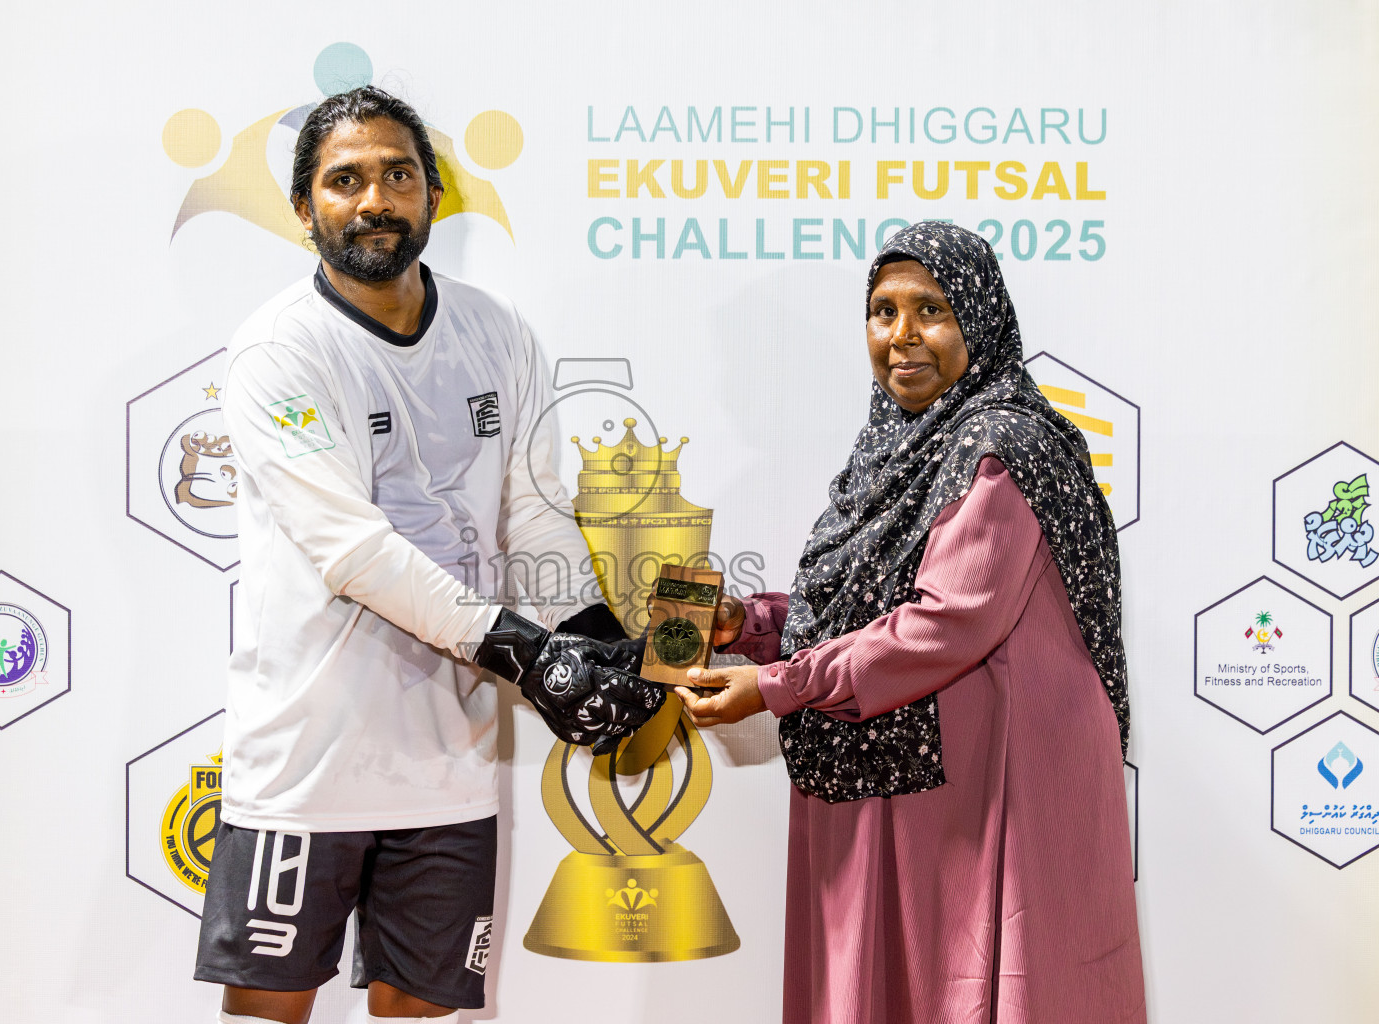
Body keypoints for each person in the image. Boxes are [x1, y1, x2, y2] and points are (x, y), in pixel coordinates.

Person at [195, 87, 664, 1024]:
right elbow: (354, 552)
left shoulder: (497, 333)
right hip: (304, 763)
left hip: (450, 765)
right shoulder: (277, 354)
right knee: (267, 1013)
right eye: (345, 179)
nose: (375, 199)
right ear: (303, 211)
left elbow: (532, 509)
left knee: (420, 1012)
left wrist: (592, 635)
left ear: (435, 195)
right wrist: (529, 655)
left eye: (398, 174)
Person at [678, 222, 1146, 1023]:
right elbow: (872, 606)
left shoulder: (1003, 448)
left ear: (979, 317)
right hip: (905, 765)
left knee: (964, 987)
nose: (901, 337)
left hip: (990, 789)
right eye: (882, 311)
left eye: (931, 310)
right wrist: (750, 625)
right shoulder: (892, 450)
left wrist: (776, 686)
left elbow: (944, 624)